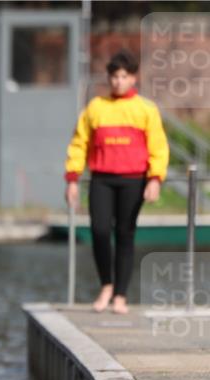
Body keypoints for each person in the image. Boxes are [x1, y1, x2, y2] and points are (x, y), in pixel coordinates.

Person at [64, 49, 169, 314]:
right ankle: (106, 286)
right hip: (101, 179)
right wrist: (72, 178)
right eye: (114, 77)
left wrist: (155, 179)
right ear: (108, 78)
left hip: (133, 180)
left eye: (124, 76)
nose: (118, 82)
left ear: (133, 78)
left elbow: (158, 146)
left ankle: (121, 294)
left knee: (125, 234)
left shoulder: (146, 109)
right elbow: (79, 143)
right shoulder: (96, 108)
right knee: (99, 231)